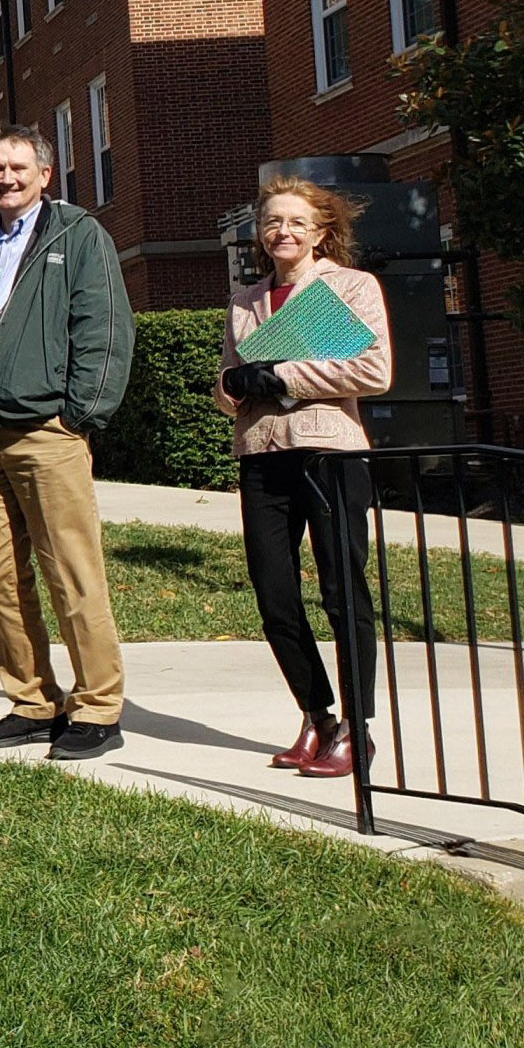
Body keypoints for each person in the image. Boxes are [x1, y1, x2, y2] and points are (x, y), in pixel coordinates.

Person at [0, 123, 135, 763]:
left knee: (71, 572)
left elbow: (101, 330)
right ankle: (32, 701)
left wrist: (81, 415)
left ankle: (98, 707)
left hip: (47, 432)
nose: (6, 178)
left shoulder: (78, 235)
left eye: (19, 167)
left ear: (46, 175)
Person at [218, 178, 391, 780]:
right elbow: (227, 387)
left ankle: (357, 729)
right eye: (271, 223)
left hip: (330, 454)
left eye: (295, 222)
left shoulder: (350, 287)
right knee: (274, 598)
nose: (282, 232)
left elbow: (375, 369)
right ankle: (317, 714)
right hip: (262, 457)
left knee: (343, 593)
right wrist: (233, 387)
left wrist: (286, 376)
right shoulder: (245, 300)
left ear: (320, 230)